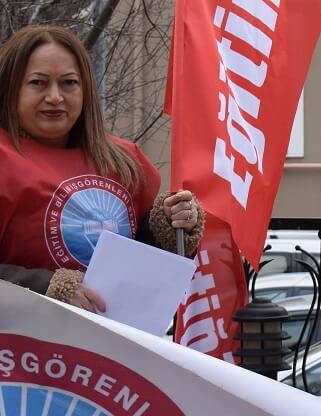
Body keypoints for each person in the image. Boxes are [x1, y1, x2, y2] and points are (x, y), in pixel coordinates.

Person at [0, 26, 203, 312]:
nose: (55, 97)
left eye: (69, 83)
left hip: (111, 347)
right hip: (22, 348)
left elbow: (148, 265)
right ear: (11, 89)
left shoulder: (123, 160)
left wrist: (174, 225)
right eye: (38, 83)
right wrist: (45, 286)